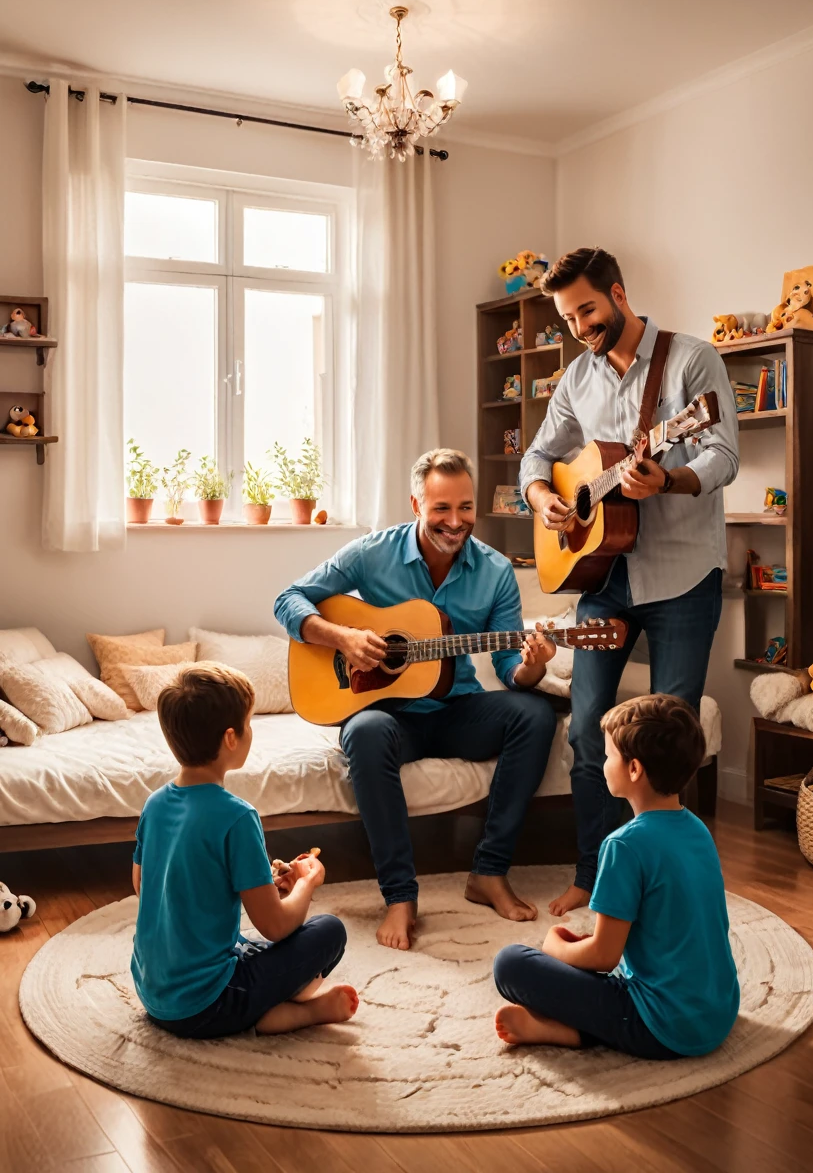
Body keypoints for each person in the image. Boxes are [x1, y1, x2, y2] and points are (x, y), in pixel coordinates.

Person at [520, 247, 739, 917]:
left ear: (617, 293)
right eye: (567, 317)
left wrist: (667, 477)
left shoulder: (692, 359)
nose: (580, 325)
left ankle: (664, 884)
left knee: (666, 740)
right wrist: (542, 498)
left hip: (681, 575)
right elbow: (537, 454)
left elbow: (723, 452)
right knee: (588, 731)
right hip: (602, 575)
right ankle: (594, 876)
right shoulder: (576, 380)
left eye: (587, 308)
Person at [275, 448, 558, 952]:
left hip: (457, 708)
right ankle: (400, 897)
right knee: (363, 733)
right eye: (441, 509)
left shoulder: (494, 572)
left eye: (466, 508)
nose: (456, 522)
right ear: (415, 504)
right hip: (388, 713)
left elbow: (509, 669)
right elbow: (288, 599)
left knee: (535, 714)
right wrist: (342, 638)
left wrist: (533, 666)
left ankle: (489, 872)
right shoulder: (371, 552)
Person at [493, 694, 740, 1059]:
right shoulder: (697, 829)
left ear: (634, 769)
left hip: (665, 1027)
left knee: (510, 963)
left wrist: (555, 947)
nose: (604, 762)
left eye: (609, 755)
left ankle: (568, 1031)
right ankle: (568, 1026)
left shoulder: (623, 845)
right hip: (719, 1012)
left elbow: (603, 957)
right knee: (589, 965)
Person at [131, 663, 359, 1038]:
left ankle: (273, 1002)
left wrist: (266, 886)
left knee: (244, 944)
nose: (252, 731)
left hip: (154, 995)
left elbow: (144, 885)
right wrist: (307, 884)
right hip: (207, 1006)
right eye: (249, 723)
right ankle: (283, 1012)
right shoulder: (237, 816)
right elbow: (275, 925)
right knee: (329, 930)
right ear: (231, 739)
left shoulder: (154, 803)